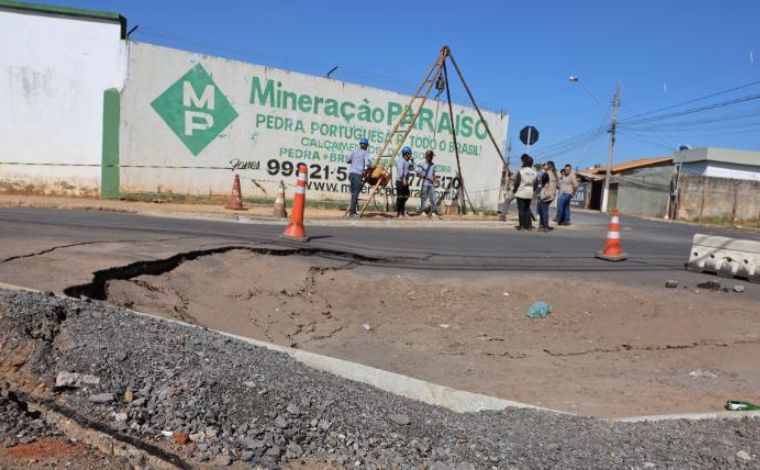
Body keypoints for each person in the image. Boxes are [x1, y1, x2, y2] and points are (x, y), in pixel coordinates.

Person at [346, 137, 372, 217]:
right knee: (355, 193)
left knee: (353, 193)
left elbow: (347, 160)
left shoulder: (354, 152)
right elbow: (367, 164)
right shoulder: (365, 153)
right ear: (366, 146)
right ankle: (352, 213)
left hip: (351, 174)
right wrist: (370, 167)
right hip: (358, 174)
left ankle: (353, 210)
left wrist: (355, 160)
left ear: (360, 145)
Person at [513, 154, 537, 230]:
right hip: (529, 193)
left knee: (521, 210)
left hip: (521, 193)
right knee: (527, 210)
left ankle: (521, 225)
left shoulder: (521, 171)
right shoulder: (534, 173)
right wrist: (532, 190)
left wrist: (514, 190)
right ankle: (528, 226)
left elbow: (517, 183)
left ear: (524, 162)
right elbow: (536, 184)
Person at [537, 161, 558, 232]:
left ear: (549, 166)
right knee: (543, 210)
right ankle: (543, 226)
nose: (544, 166)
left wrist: (542, 172)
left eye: (546, 165)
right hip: (551, 194)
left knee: (543, 210)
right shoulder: (554, 174)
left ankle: (544, 226)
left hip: (546, 194)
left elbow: (541, 180)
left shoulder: (546, 173)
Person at [417, 150, 438, 217]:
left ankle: (433, 211)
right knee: (424, 198)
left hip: (431, 184)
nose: (431, 158)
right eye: (430, 157)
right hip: (425, 184)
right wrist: (425, 177)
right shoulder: (422, 164)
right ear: (427, 157)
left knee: (433, 198)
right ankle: (423, 211)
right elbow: (418, 174)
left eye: (432, 157)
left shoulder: (433, 165)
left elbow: (433, 174)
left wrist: (435, 179)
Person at [395, 146, 414, 217]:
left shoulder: (408, 162)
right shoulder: (401, 161)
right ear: (406, 154)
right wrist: (403, 179)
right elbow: (400, 171)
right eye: (409, 154)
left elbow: (413, 168)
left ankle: (401, 210)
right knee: (401, 196)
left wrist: (413, 161)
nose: (410, 156)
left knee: (406, 195)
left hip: (405, 181)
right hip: (400, 181)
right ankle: (399, 212)